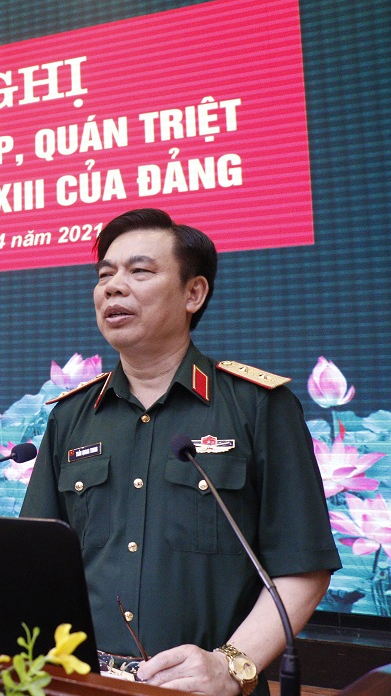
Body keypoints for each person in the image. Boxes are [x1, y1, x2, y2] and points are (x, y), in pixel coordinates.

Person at [20, 208, 340, 695]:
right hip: (85, 685)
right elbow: (35, 564)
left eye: (139, 271)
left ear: (194, 293)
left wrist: (231, 666)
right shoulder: (71, 416)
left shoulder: (258, 407)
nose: (113, 288)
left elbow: (303, 567)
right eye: (105, 275)